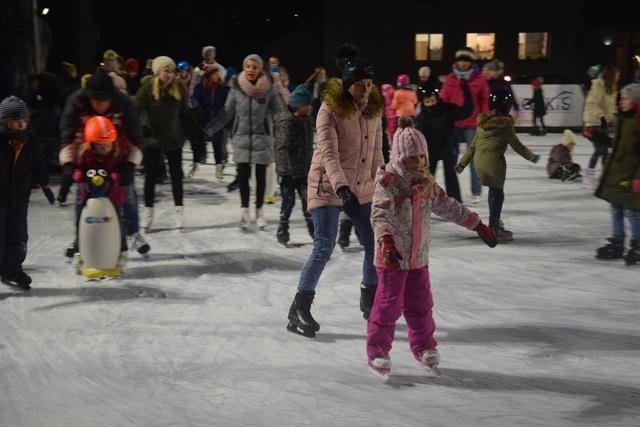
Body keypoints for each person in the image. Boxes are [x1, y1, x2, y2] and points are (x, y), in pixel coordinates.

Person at [366, 117, 496, 377]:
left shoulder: (426, 184)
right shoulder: (388, 183)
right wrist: (387, 242)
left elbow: (449, 206)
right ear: (400, 159)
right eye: (413, 159)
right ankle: (378, 351)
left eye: (423, 158)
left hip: (418, 258)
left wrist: (477, 224)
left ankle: (424, 346)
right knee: (388, 305)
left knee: (421, 305)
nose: (420, 164)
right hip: (392, 258)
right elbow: (379, 216)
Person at [286, 44, 384, 338]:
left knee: (374, 244)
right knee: (324, 245)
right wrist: (342, 189)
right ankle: (299, 308)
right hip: (328, 184)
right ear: (347, 85)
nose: (365, 90)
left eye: (369, 84)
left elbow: (378, 152)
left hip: (362, 186)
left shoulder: (374, 111)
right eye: (359, 85)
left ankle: (371, 303)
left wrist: (383, 182)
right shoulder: (328, 110)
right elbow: (328, 154)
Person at [59, 70, 149, 257]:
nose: (99, 104)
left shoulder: (123, 103)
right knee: (82, 196)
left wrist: (130, 165)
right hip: (87, 157)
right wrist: (68, 165)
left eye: (103, 100)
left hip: (118, 157)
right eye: (95, 99)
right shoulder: (76, 102)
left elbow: (137, 138)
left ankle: (133, 234)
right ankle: (79, 237)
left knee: (127, 194)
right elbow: (66, 134)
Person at [203, 54, 285, 229]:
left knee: (261, 177)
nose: (251, 70)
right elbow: (227, 112)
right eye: (248, 66)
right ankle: (244, 211)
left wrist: (287, 128)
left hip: (262, 137)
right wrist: (209, 130)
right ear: (244, 67)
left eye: (254, 67)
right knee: (243, 176)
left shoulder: (268, 88)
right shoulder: (236, 87)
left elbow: (279, 111)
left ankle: (260, 212)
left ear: (260, 69)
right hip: (240, 137)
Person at [456, 89, 540, 243]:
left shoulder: (482, 123)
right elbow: (518, 146)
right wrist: (532, 157)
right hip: (494, 164)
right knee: (498, 194)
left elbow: (472, 147)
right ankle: (494, 226)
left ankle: (494, 221)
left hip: (479, 164)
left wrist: (462, 164)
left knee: (493, 192)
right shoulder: (505, 126)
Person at [0, 96, 54, 289]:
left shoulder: (30, 142)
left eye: (25, 120)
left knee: (19, 236)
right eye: (17, 120)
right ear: (5, 121)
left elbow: (38, 164)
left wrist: (46, 184)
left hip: (20, 198)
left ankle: (11, 270)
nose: (22, 124)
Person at [135, 56, 188, 230]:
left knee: (176, 176)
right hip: (153, 139)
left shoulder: (179, 88)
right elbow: (136, 109)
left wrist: (192, 132)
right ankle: (148, 212)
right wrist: (143, 126)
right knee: (150, 176)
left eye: (172, 71)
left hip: (173, 138)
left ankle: (179, 211)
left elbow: (184, 113)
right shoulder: (147, 88)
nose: (170, 74)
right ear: (158, 72)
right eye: (167, 71)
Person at [72, 116, 132, 264]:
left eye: (108, 145)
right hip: (88, 196)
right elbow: (78, 169)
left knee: (117, 222)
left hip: (112, 196)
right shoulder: (86, 155)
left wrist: (115, 177)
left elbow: (118, 169)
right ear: (92, 144)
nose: (105, 149)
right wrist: (79, 176)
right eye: (101, 146)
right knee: (81, 221)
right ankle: (80, 249)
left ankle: (121, 250)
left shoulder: (116, 155)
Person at [594, 83, 640, 265]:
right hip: (617, 174)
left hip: (631, 175)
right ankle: (617, 241)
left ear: (637, 101)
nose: (622, 102)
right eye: (621, 98)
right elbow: (619, 146)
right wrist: (601, 138)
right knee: (616, 209)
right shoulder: (622, 120)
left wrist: (638, 178)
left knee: (632, 211)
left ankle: (637, 244)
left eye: (626, 98)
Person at [440, 47, 489, 205]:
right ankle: (454, 194)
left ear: (470, 63)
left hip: (472, 125)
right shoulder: (450, 79)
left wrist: (484, 120)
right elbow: (443, 100)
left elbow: (484, 101)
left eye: (466, 60)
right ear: (456, 62)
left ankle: (476, 191)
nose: (463, 63)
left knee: (474, 160)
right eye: (460, 60)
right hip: (453, 125)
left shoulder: (479, 79)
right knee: (451, 160)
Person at [415, 80, 472, 203]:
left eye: (433, 100)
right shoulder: (421, 118)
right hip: (431, 150)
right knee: (427, 177)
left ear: (437, 97)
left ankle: (455, 202)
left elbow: (465, 112)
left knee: (450, 175)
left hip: (448, 147)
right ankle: (424, 202)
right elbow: (419, 138)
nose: (431, 104)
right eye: (427, 102)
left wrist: (467, 93)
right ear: (422, 101)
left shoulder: (447, 109)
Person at [274, 84, 315, 246]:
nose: (310, 108)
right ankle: (283, 229)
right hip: (289, 173)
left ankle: (315, 233)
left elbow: (308, 147)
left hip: (304, 171)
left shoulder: (306, 121)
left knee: (309, 203)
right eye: (308, 105)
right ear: (299, 106)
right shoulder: (287, 122)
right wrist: (285, 170)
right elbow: (281, 147)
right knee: (288, 202)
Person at [583, 65, 620, 182]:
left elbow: (611, 109)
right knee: (600, 149)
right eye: (618, 75)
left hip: (604, 125)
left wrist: (616, 119)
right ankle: (588, 174)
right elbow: (591, 104)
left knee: (604, 151)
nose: (619, 77)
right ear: (612, 75)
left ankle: (605, 175)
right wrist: (601, 116)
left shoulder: (611, 89)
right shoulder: (599, 85)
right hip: (594, 123)